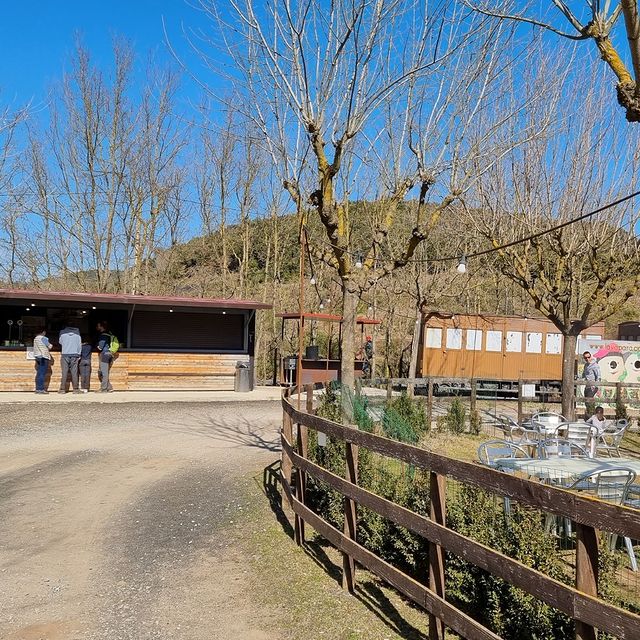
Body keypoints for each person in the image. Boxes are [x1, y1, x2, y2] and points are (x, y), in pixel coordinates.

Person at [58, 323, 82, 393]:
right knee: (74, 373)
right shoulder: (77, 334)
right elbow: (79, 345)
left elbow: (60, 342)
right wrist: (79, 354)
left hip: (65, 354)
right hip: (75, 354)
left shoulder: (62, 333)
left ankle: (62, 389)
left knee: (64, 372)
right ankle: (76, 389)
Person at [96, 321, 114, 392]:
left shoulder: (103, 335)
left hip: (104, 354)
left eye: (98, 326)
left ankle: (103, 389)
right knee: (104, 371)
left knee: (103, 372)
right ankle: (109, 387)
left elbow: (100, 347)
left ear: (101, 327)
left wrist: (97, 345)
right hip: (110, 354)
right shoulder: (109, 334)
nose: (97, 327)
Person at [32, 329, 51, 394]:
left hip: (37, 357)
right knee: (42, 373)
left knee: (39, 373)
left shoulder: (35, 339)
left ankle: (37, 389)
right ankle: (41, 389)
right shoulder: (44, 338)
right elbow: (50, 346)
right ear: (43, 332)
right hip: (43, 357)